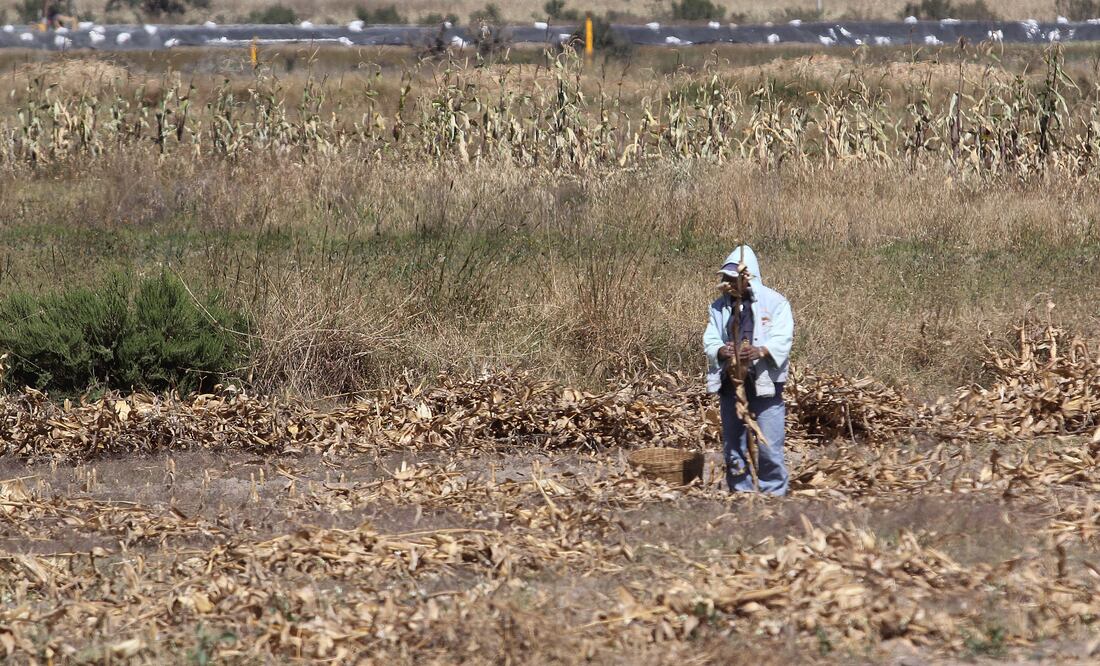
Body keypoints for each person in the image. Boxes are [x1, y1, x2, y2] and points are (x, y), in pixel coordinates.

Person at [703, 245, 794, 496]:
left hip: (764, 383)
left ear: (748, 277)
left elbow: (782, 338)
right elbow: (711, 338)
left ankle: (773, 492)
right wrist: (723, 350)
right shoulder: (719, 307)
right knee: (733, 444)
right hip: (732, 382)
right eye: (727, 279)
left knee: (768, 444)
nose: (729, 283)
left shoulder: (775, 303)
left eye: (734, 279)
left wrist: (760, 351)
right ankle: (741, 493)